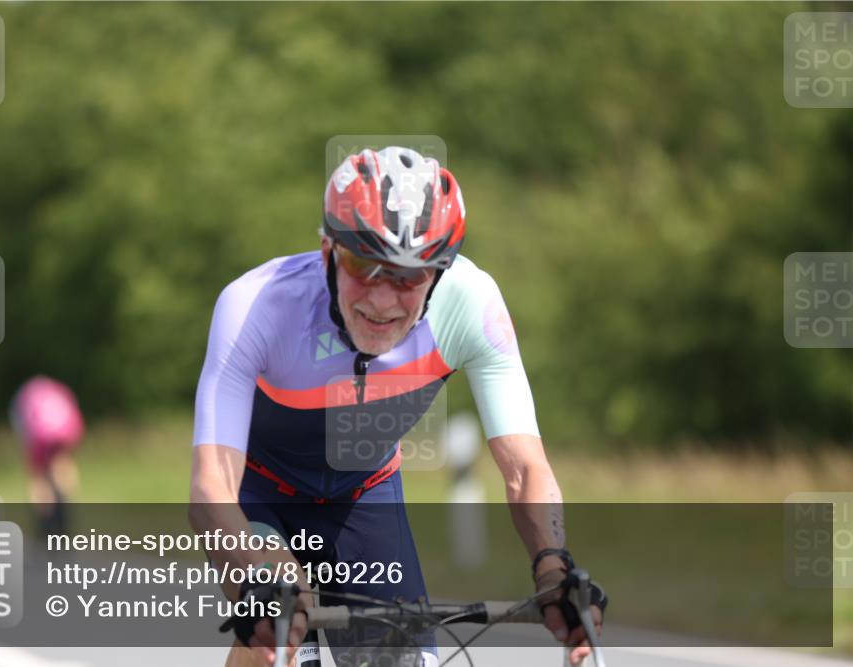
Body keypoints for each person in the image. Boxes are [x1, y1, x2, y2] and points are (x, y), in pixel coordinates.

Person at [189, 147, 606, 667]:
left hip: (365, 495)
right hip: (261, 494)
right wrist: (252, 574)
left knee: (396, 661)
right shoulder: (257, 306)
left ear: (439, 273)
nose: (383, 300)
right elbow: (210, 488)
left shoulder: (471, 306)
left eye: (410, 276)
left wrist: (553, 567)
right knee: (280, 628)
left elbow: (525, 468)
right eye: (364, 265)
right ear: (327, 251)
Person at [10, 375, 84, 538]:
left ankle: (45, 523)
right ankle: (65, 511)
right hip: (67, 429)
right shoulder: (59, 391)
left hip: (39, 435)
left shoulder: (25, 398)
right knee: (63, 465)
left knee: (38, 477)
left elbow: (24, 431)